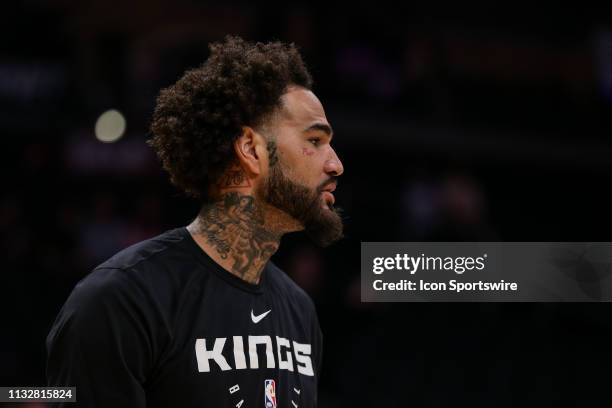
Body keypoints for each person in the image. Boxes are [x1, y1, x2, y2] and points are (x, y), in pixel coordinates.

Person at [46, 35, 344, 408]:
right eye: (315, 140)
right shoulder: (121, 300)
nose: (335, 164)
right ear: (251, 149)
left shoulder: (299, 309)